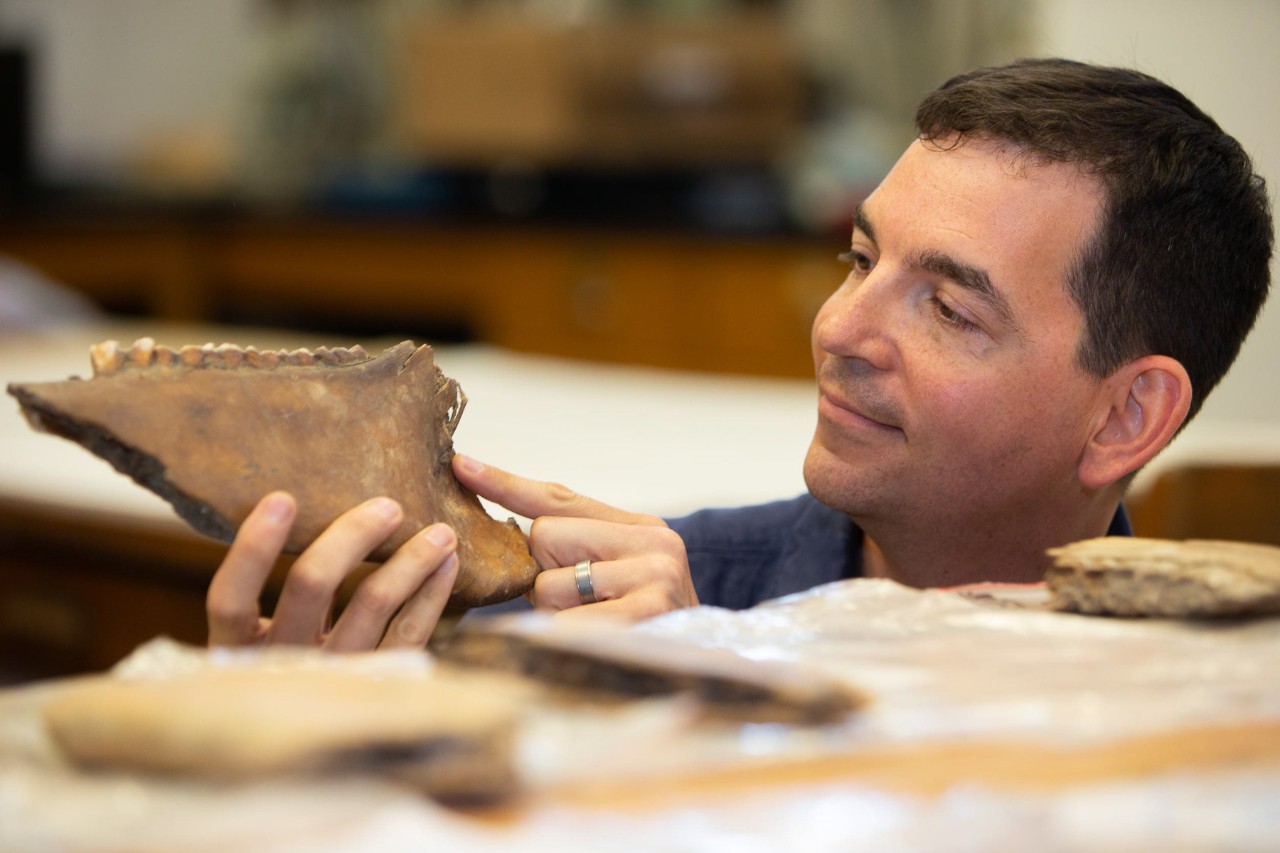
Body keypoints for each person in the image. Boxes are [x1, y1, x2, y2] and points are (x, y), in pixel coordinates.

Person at [206, 58, 1273, 650]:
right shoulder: (627, 617)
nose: (838, 331)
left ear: (1125, 417)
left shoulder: (1209, 698)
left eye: (946, 310)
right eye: (858, 259)